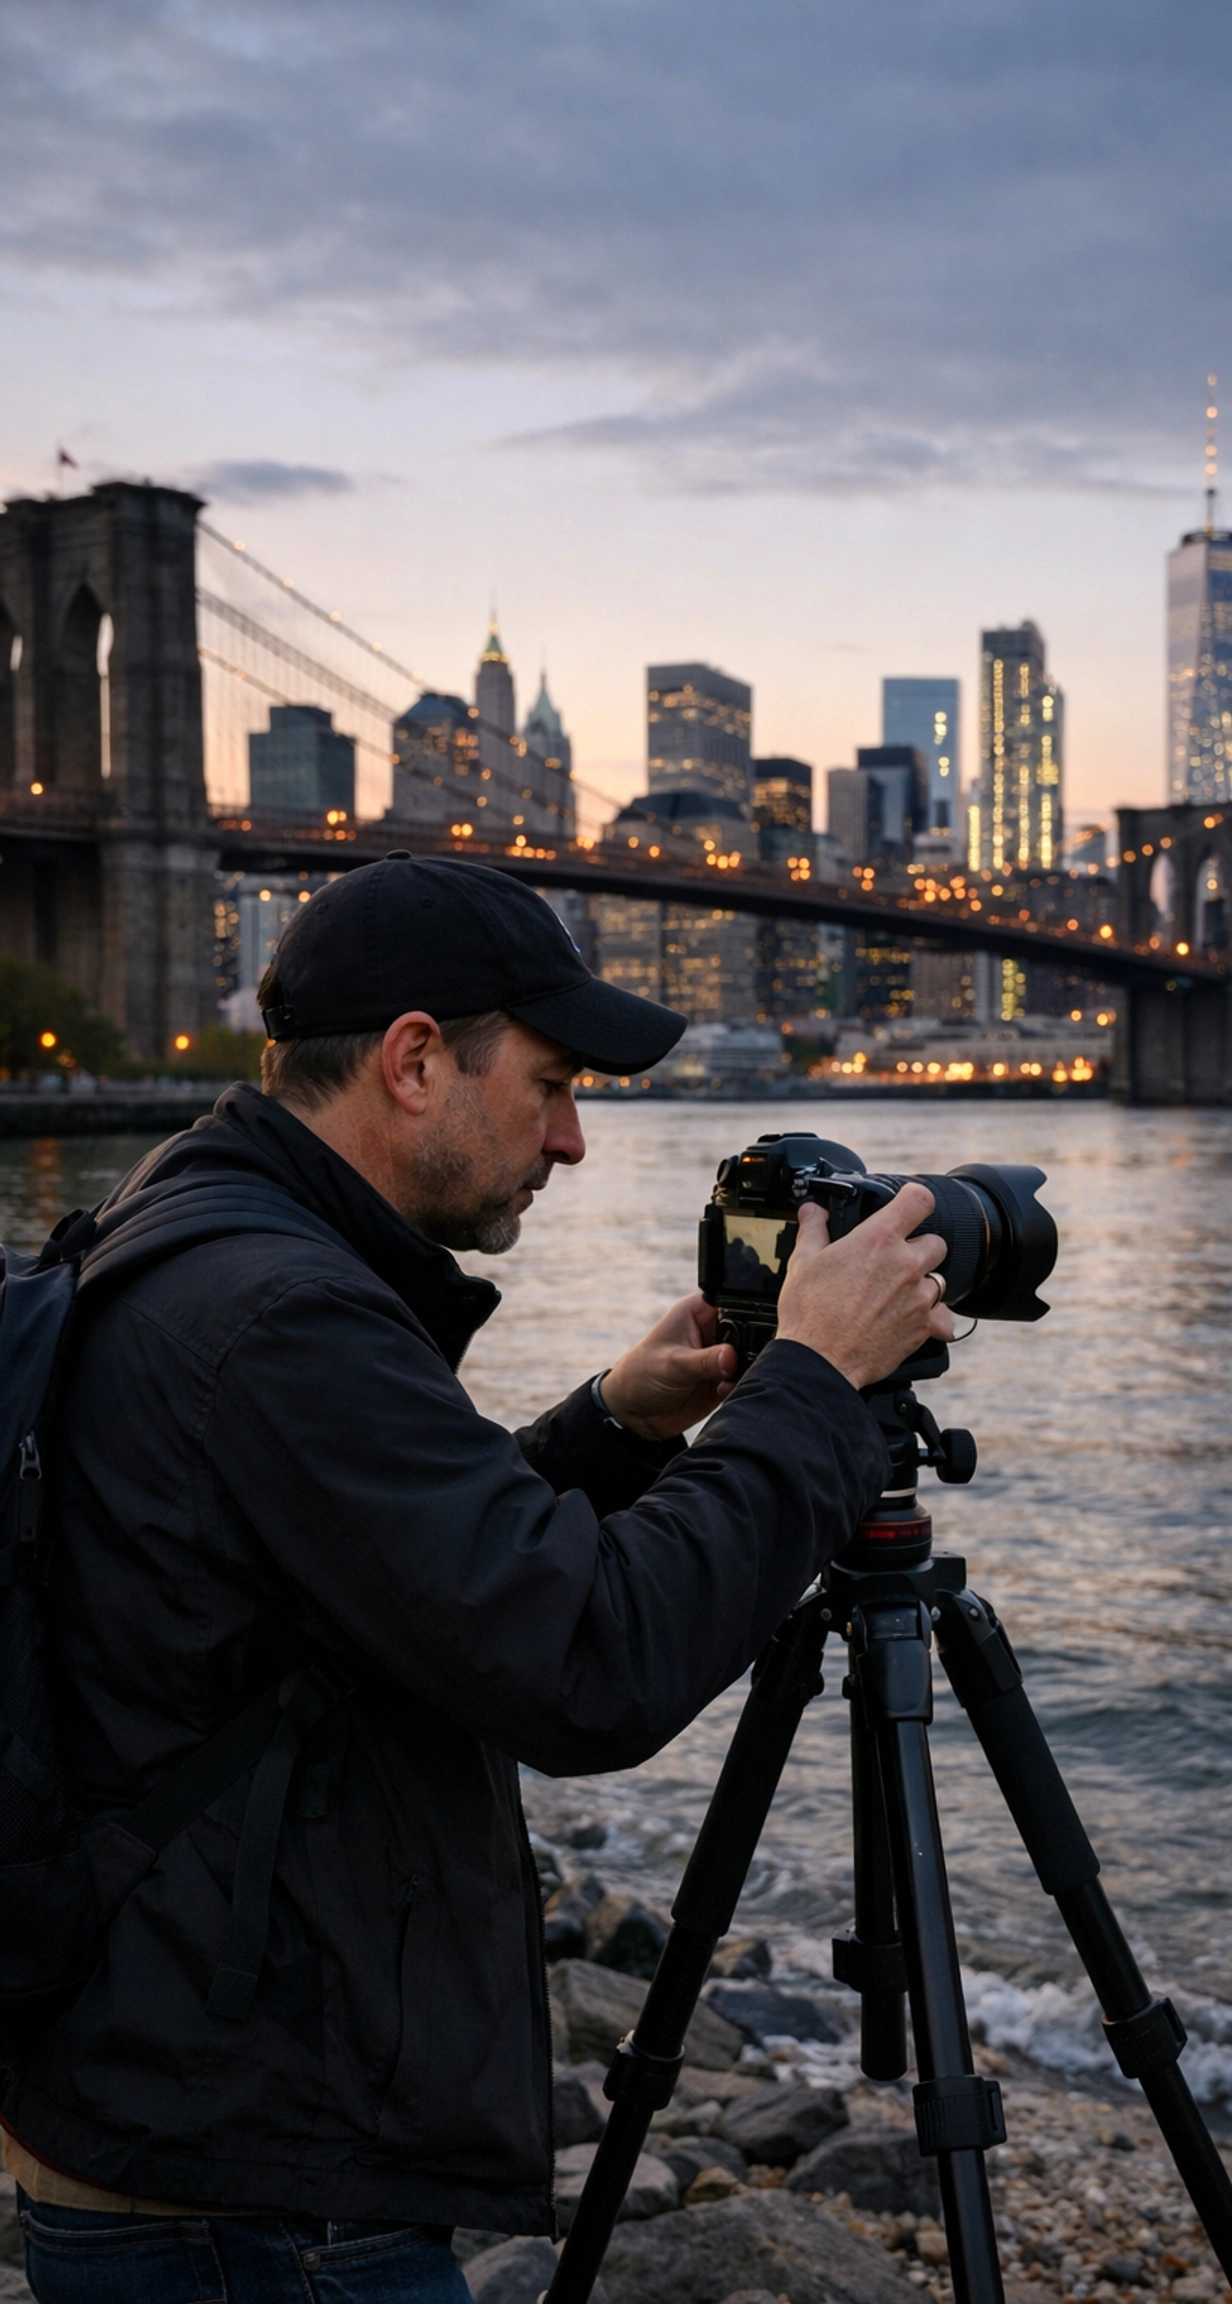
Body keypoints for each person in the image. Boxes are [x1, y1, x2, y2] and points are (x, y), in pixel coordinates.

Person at [2, 853, 954, 2303]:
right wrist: (814, 1386)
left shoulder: (191, 1230)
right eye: (554, 1083)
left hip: (181, 2114)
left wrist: (612, 1430)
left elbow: (362, 1588)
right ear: (414, 1061)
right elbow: (586, 1663)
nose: (572, 1140)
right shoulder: (282, 1316)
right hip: (251, 2192)